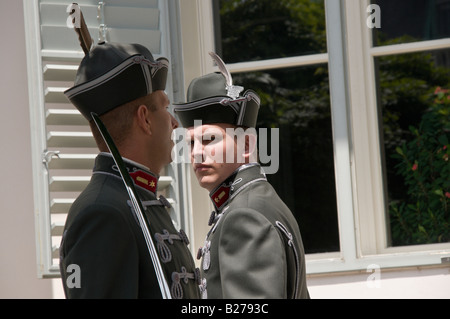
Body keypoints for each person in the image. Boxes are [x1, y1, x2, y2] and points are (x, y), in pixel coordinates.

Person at [60, 41, 201, 299]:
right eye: (166, 107)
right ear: (145, 119)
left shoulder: (134, 197)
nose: (174, 122)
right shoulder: (102, 212)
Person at [173, 53, 310, 299]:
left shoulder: (244, 216)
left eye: (209, 139)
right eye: (191, 143)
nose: (196, 153)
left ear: (246, 145)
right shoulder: (254, 202)